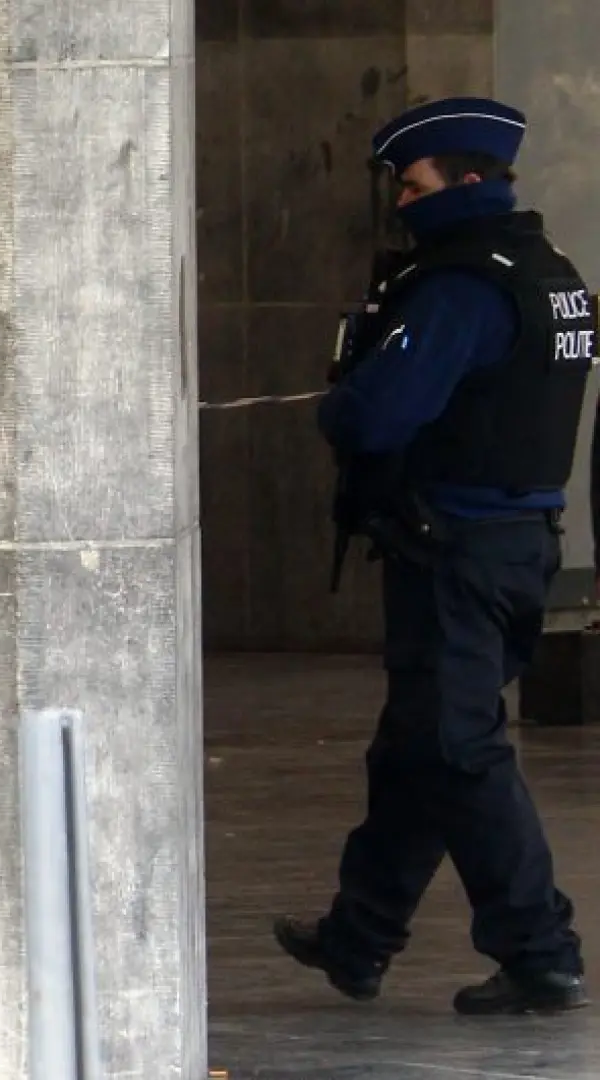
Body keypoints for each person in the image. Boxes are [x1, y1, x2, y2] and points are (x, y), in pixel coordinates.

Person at [274, 96, 596, 1015]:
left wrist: (338, 404)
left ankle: (541, 950)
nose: (403, 205)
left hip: (455, 552)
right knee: (417, 747)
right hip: (518, 547)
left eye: (413, 187)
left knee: (457, 748)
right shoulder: (552, 273)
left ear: (464, 181)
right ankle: (359, 938)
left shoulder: (461, 287)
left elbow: (374, 413)